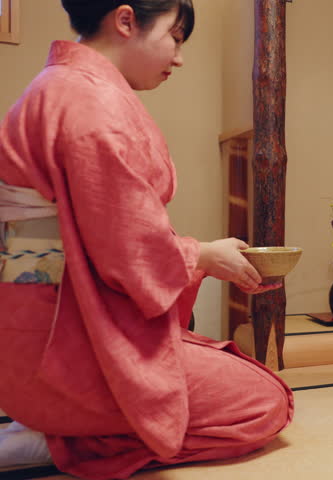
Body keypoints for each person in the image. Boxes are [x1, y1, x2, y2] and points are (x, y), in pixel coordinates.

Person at [0, 1, 293, 478]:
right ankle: (66, 438)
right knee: (265, 402)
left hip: (29, 335)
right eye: (175, 37)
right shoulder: (87, 101)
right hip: (58, 353)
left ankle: (54, 421)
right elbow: (125, 253)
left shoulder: (58, 87)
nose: (179, 57)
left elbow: (111, 239)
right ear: (125, 20)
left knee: (223, 364)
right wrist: (203, 256)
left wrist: (202, 257)